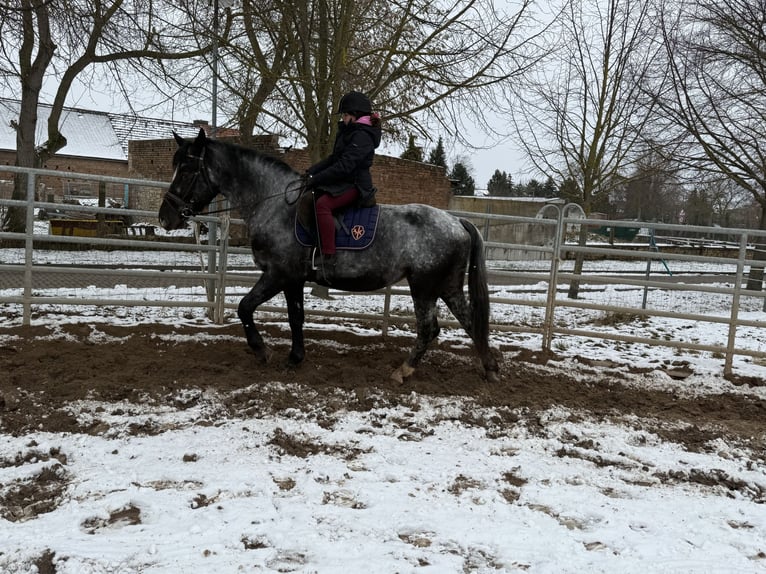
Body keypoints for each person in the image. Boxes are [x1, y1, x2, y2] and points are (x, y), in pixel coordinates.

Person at [304, 91, 382, 272]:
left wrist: (317, 180)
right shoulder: (349, 132)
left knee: (323, 205)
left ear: (355, 116)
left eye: (345, 114)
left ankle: (328, 256)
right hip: (343, 183)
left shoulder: (362, 136)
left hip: (356, 185)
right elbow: (333, 159)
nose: (343, 118)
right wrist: (311, 172)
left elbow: (345, 166)